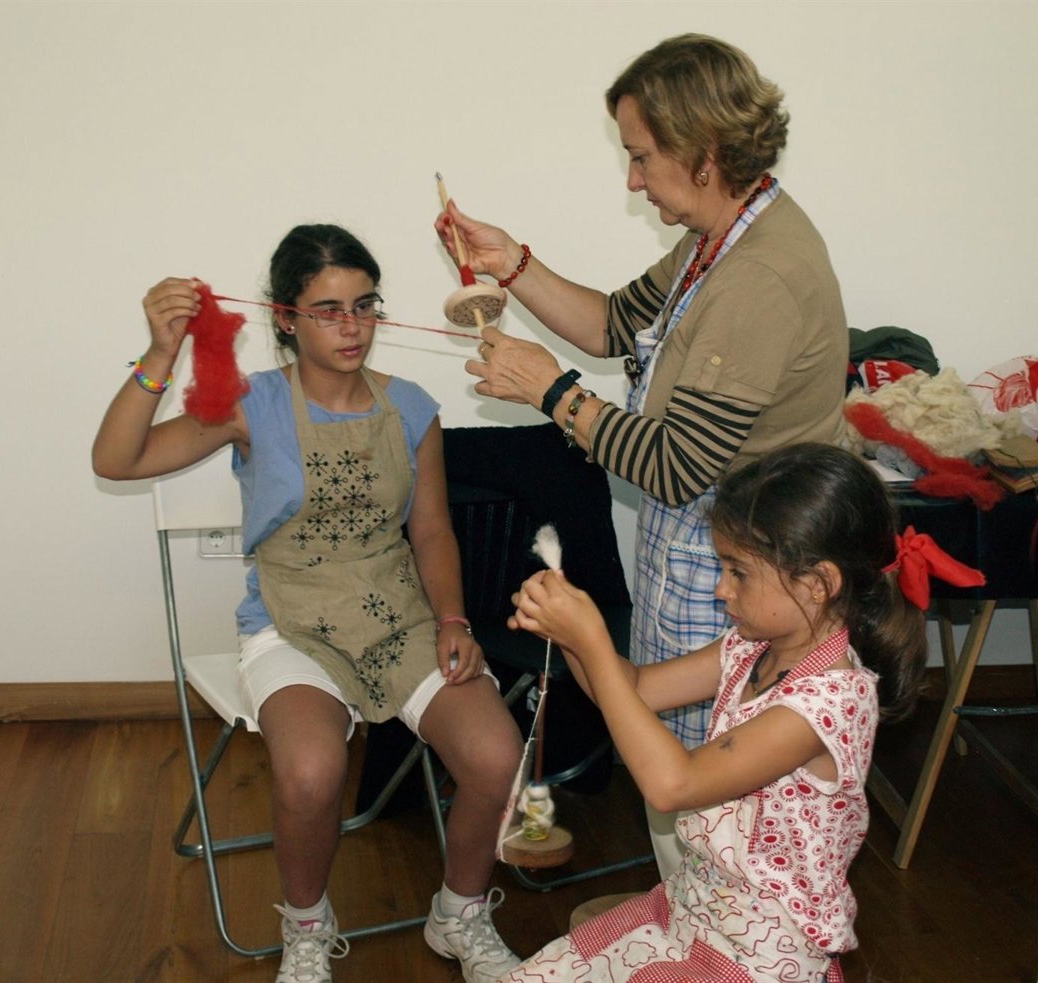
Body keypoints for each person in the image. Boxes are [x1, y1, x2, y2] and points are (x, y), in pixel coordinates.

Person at [435, 33, 848, 876]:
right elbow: (613, 324)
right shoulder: (719, 236)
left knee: (708, 792)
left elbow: (674, 465)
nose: (632, 179)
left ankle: (714, 927)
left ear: (704, 154)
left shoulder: (758, 275)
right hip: (698, 545)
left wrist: (552, 392)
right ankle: (686, 916)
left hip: (744, 565)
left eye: (641, 155)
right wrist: (512, 264)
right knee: (673, 774)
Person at [91, 224, 523, 983]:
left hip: (398, 615)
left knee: (497, 757)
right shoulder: (250, 405)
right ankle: (307, 927)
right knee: (310, 772)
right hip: (292, 622)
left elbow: (431, 530)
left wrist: (454, 620)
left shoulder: (411, 407)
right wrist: (160, 355)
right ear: (286, 318)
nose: (351, 326)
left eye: (364, 305)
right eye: (328, 310)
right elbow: (116, 459)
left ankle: (458, 914)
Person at [500, 443, 967, 982]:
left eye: (738, 572)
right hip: (695, 909)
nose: (721, 589)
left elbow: (673, 785)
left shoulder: (829, 703)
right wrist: (571, 635)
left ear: (818, 584)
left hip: (760, 956)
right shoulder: (751, 648)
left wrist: (592, 642)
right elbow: (635, 689)